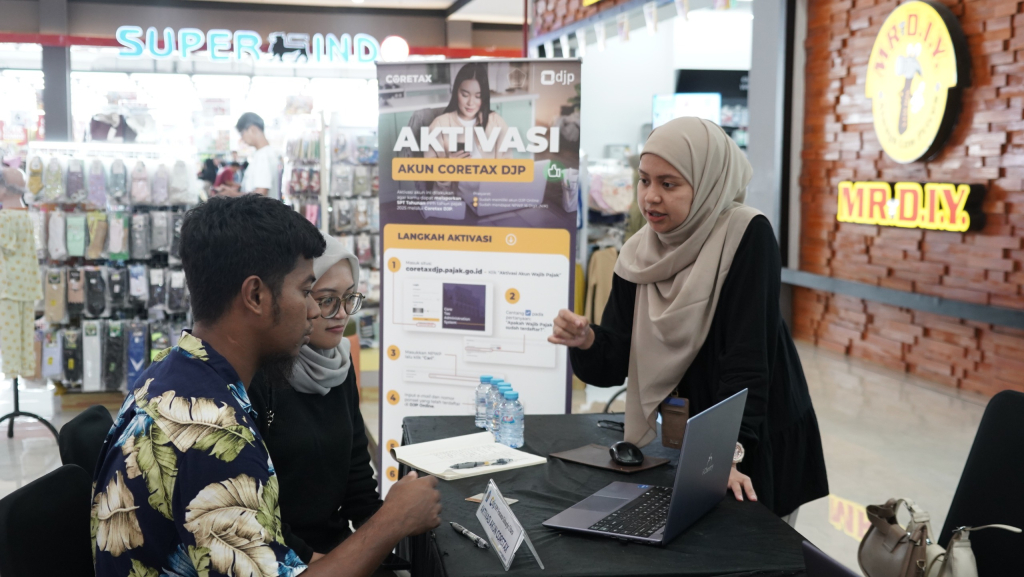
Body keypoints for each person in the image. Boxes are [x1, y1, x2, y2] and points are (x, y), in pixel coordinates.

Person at [91, 194, 441, 577]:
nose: (314, 310)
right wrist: (394, 521)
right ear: (256, 295)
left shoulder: (173, 370)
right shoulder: (209, 434)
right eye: (307, 292)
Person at [549, 118, 828, 524]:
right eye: (644, 181)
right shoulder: (638, 254)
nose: (651, 198)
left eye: (669, 184)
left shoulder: (746, 235)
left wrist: (730, 456)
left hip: (755, 436)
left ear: (709, 182)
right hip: (691, 440)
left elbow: (747, 365)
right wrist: (588, 340)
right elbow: (618, 360)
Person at [248, 234, 375, 565]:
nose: (340, 313)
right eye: (325, 299)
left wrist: (386, 537)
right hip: (280, 559)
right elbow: (256, 515)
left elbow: (357, 477)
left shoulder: (339, 365)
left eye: (349, 298)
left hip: (334, 550)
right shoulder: (259, 376)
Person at [424, 63, 511, 160]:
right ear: (456, 92)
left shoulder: (496, 122)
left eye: (478, 96)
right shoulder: (439, 124)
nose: (470, 103)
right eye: (465, 95)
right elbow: (428, 169)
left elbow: (508, 166)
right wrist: (447, 163)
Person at [236, 112, 281, 198]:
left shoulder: (263, 156)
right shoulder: (264, 153)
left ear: (253, 129)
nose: (242, 138)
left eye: (242, 133)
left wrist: (232, 195)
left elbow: (261, 193)